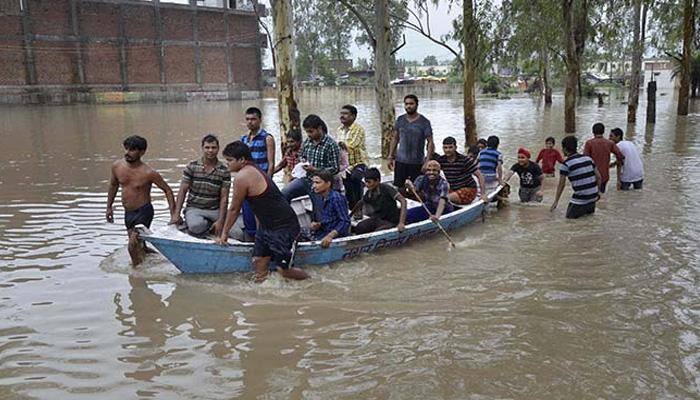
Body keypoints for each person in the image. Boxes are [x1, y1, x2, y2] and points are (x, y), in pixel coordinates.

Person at [215, 141, 309, 283]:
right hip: (266, 226)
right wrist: (260, 231)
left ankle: (311, 281)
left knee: (283, 271)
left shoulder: (242, 177)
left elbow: (234, 209)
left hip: (283, 227)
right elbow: (259, 205)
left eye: (229, 160)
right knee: (258, 261)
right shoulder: (252, 170)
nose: (227, 164)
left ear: (242, 160)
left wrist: (224, 234)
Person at [106, 135, 177, 266]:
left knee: (132, 247)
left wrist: (173, 214)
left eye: (132, 150)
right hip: (128, 213)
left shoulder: (149, 173)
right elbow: (113, 185)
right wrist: (109, 207)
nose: (127, 152)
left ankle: (137, 276)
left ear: (142, 152)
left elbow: (167, 190)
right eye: (126, 149)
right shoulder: (117, 166)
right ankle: (164, 260)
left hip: (143, 212)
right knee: (140, 246)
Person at [281, 114, 340, 220]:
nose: (308, 134)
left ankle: (319, 225)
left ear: (319, 129)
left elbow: (335, 168)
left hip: (321, 183)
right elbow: (301, 157)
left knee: (319, 212)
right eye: (307, 131)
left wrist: (316, 170)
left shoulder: (331, 145)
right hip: (306, 179)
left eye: (311, 131)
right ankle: (289, 222)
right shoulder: (307, 143)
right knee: (284, 194)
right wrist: (302, 165)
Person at [171, 134, 231, 237]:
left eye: (213, 147)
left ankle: (212, 225)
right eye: (207, 147)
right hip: (194, 208)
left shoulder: (224, 170)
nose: (210, 151)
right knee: (196, 227)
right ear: (202, 148)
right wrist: (176, 215)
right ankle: (205, 225)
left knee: (235, 232)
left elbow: (224, 198)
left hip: (214, 209)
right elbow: (182, 191)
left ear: (218, 149)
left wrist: (221, 220)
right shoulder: (192, 166)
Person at [388, 94, 434, 188]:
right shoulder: (400, 120)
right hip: (401, 161)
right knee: (399, 188)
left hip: (417, 162)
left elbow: (430, 143)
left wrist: (427, 161)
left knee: (417, 189)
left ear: (417, 105)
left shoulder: (424, 122)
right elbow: (395, 138)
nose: (408, 106)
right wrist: (390, 156)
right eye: (406, 104)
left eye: (411, 104)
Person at [551, 136, 601, 219]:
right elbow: (599, 177)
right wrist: (597, 193)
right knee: (588, 221)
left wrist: (556, 201)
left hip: (580, 200)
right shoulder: (588, 159)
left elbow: (561, 185)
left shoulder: (566, 164)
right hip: (593, 197)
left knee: (569, 222)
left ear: (565, 149)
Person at [351, 168, 408, 234]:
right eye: (366, 182)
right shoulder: (369, 192)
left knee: (378, 232)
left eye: (369, 182)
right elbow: (360, 202)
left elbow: (403, 201)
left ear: (377, 181)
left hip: (391, 221)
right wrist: (349, 216)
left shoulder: (386, 188)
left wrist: (401, 222)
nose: (366, 184)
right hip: (378, 219)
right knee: (360, 227)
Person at [433, 136, 487, 204]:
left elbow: (480, 175)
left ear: (455, 147)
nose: (447, 150)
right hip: (453, 190)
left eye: (450, 147)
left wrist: (483, 194)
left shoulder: (464, 160)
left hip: (469, 190)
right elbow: (430, 171)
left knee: (443, 198)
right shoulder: (441, 160)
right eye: (445, 148)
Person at [335, 104, 368, 209]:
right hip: (345, 165)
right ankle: (351, 208)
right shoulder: (339, 130)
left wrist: (339, 145)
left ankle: (359, 207)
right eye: (341, 113)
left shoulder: (358, 129)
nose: (342, 116)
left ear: (353, 116)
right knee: (347, 186)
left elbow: (352, 145)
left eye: (345, 114)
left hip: (359, 163)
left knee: (355, 179)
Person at [309, 171, 351, 248]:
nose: (314, 186)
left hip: (335, 235)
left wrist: (330, 236)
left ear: (328, 184)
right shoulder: (319, 196)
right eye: (313, 183)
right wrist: (318, 224)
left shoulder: (336, 198)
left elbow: (345, 221)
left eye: (317, 183)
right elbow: (328, 218)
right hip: (323, 231)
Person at [583, 122, 624, 193]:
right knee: (602, 194)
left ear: (593, 132)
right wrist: (616, 163)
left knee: (593, 196)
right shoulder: (610, 143)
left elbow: (585, 159)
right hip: (604, 175)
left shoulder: (589, 143)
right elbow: (620, 156)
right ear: (603, 131)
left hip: (592, 175)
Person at [241, 107, 275, 177]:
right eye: (247, 119)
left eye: (253, 119)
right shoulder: (243, 138)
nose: (250, 122)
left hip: (262, 177)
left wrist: (268, 181)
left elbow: (271, 164)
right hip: (248, 176)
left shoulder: (267, 138)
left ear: (260, 120)